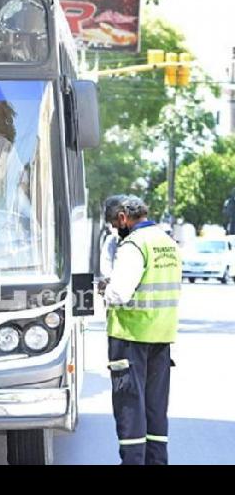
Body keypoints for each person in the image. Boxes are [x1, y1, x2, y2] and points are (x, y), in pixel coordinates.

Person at [102, 195, 181, 465]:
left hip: (131, 337)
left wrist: (103, 290)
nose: (115, 230)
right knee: (155, 410)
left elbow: (120, 292)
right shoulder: (167, 242)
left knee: (129, 407)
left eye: (114, 224)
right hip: (161, 337)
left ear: (123, 217)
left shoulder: (134, 245)